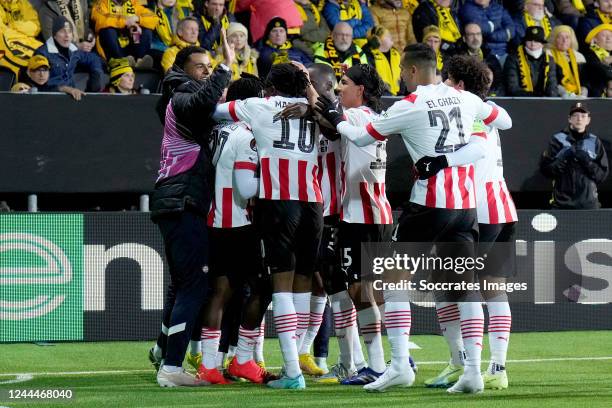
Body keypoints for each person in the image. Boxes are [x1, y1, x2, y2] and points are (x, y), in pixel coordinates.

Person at [314, 43, 512, 393]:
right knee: (464, 291)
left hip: (428, 207)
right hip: (465, 210)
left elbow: (361, 135)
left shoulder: (409, 105)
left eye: (402, 73)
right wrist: (452, 155)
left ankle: (400, 364)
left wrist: (338, 118)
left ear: (409, 71)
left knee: (393, 283)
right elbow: (499, 127)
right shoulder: (466, 100)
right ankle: (473, 373)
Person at [213, 63, 324, 390]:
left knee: (281, 283)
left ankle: (292, 372)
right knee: (303, 278)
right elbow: (331, 115)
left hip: (279, 202)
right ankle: (300, 355)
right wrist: (310, 94)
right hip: (313, 204)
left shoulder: (258, 105)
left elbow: (216, 110)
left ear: (271, 87)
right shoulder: (314, 108)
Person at [423, 57, 518, 391]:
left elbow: (475, 149)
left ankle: (463, 364)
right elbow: (505, 121)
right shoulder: (485, 108)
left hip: (474, 208)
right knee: (493, 288)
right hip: (501, 205)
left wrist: (437, 163)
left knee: (452, 288)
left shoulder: (466, 110)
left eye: (448, 79)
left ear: (459, 84)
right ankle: (497, 368)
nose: (444, 84)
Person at [150, 35, 234, 387]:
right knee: (195, 287)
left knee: (183, 285)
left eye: (209, 67)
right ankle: (171, 369)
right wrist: (226, 68)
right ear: (181, 71)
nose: (206, 72)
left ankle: (161, 351)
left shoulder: (179, 100)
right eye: (200, 66)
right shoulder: (181, 96)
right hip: (183, 201)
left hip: (177, 200)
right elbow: (203, 99)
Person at [199, 74, 275, 385]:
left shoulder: (219, 131)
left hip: (217, 219)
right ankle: (243, 359)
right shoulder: (248, 137)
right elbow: (246, 188)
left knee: (220, 292)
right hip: (241, 223)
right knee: (262, 289)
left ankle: (209, 365)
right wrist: (273, 181)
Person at [540, 102, 608, 209]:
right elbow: (546, 171)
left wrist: (587, 161)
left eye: (583, 116)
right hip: (562, 205)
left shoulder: (595, 141)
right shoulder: (557, 140)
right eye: (575, 115)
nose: (579, 119)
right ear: (569, 119)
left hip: (588, 205)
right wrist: (564, 157)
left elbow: (601, 175)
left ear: (588, 120)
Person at [35, 16, 105, 93]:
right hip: (50, 99)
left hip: (72, 97)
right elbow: (38, 86)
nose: (67, 35)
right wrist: (63, 89)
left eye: (69, 31)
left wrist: (96, 76)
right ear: (54, 35)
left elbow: (93, 58)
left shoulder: (73, 50)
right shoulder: (42, 53)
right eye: (62, 31)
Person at [91, 0, 158, 67]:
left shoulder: (133, 4)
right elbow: (101, 19)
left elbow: (154, 17)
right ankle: (118, 60)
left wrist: (137, 19)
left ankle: (140, 60)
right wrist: (126, 21)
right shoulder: (102, 3)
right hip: (113, 49)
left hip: (131, 46)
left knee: (146, 30)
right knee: (107, 29)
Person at [503, 25, 559, 96]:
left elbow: (552, 85)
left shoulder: (549, 60)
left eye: (536, 41)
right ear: (525, 42)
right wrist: (535, 97)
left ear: (542, 44)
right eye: (529, 40)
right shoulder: (513, 58)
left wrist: (550, 99)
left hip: (544, 102)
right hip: (520, 101)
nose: (533, 44)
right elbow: (512, 88)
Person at [459, 0, 515, 65]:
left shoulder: (498, 7)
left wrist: (491, 32)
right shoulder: (468, 8)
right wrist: (497, 25)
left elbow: (512, 30)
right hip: (485, 54)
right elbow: (479, 29)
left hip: (503, 52)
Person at [458, 22, 505, 96]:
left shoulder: (490, 58)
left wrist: (490, 95)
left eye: (478, 34)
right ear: (464, 38)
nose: (475, 38)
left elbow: (499, 84)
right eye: (471, 34)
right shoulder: (458, 58)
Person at [547, 25, 588, 97]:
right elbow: (549, 79)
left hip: (577, 93)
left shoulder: (579, 56)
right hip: (556, 94)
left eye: (567, 37)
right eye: (560, 37)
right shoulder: (547, 54)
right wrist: (563, 92)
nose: (564, 40)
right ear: (554, 39)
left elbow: (584, 79)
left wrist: (584, 90)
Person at [365, 25, 403, 95]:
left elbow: (403, 75)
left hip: (400, 95)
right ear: (377, 40)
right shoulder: (369, 55)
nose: (391, 37)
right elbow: (372, 80)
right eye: (387, 36)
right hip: (381, 97)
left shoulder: (396, 53)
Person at [582, 23, 612, 96]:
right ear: (595, 40)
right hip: (597, 98)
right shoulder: (589, 54)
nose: (609, 38)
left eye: (611, 36)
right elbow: (604, 73)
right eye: (604, 35)